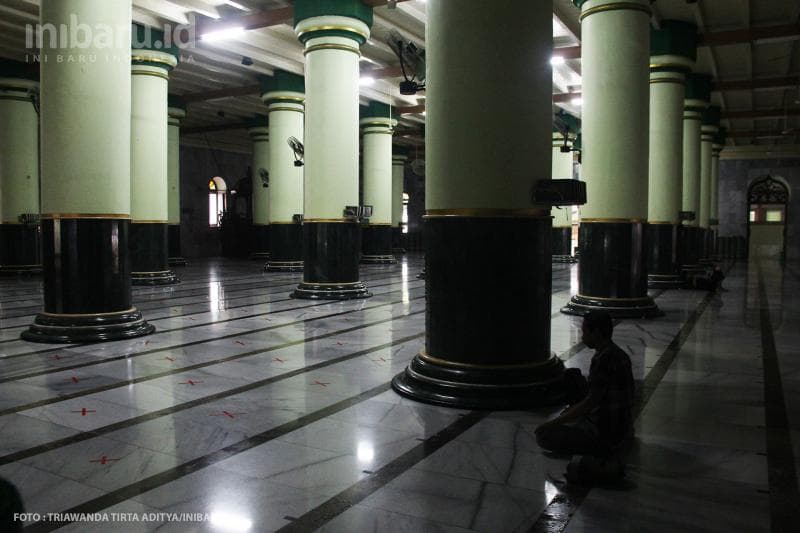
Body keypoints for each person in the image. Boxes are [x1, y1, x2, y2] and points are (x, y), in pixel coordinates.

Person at [535, 311, 635, 482]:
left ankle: (596, 447)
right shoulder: (620, 354)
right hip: (622, 427)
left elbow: (590, 402)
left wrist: (553, 423)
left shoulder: (602, 359)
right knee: (572, 376)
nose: (582, 337)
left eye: (584, 332)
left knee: (544, 437)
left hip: (604, 433)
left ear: (596, 333)